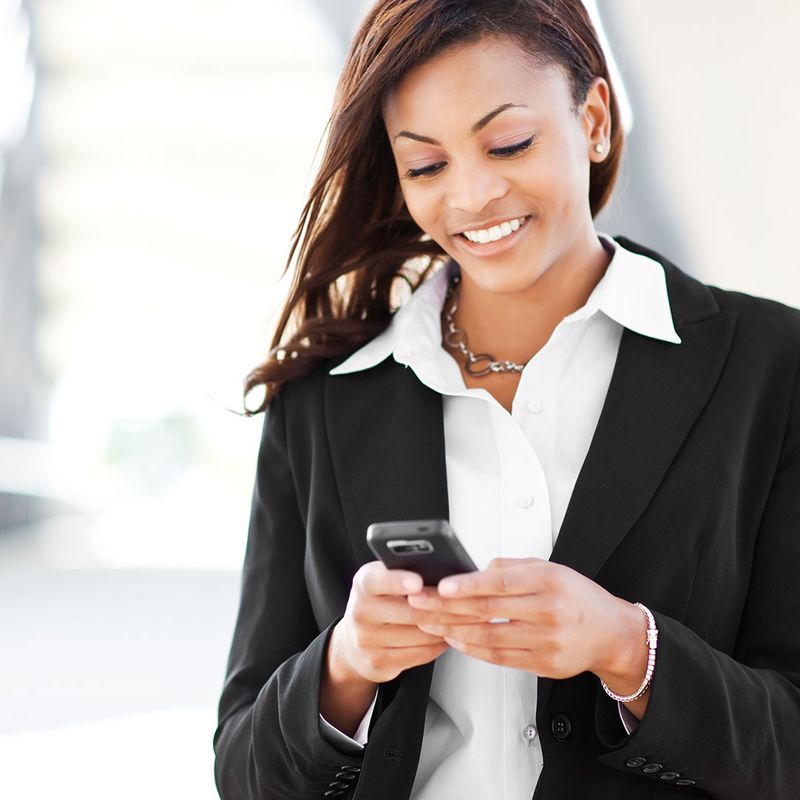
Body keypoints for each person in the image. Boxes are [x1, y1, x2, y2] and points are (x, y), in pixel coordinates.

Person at [213, 1, 800, 798]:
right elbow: (245, 775)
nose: (473, 196)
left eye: (509, 143)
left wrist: (631, 649)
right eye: (426, 166)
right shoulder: (322, 403)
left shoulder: (771, 369)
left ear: (593, 120)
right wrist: (346, 664)